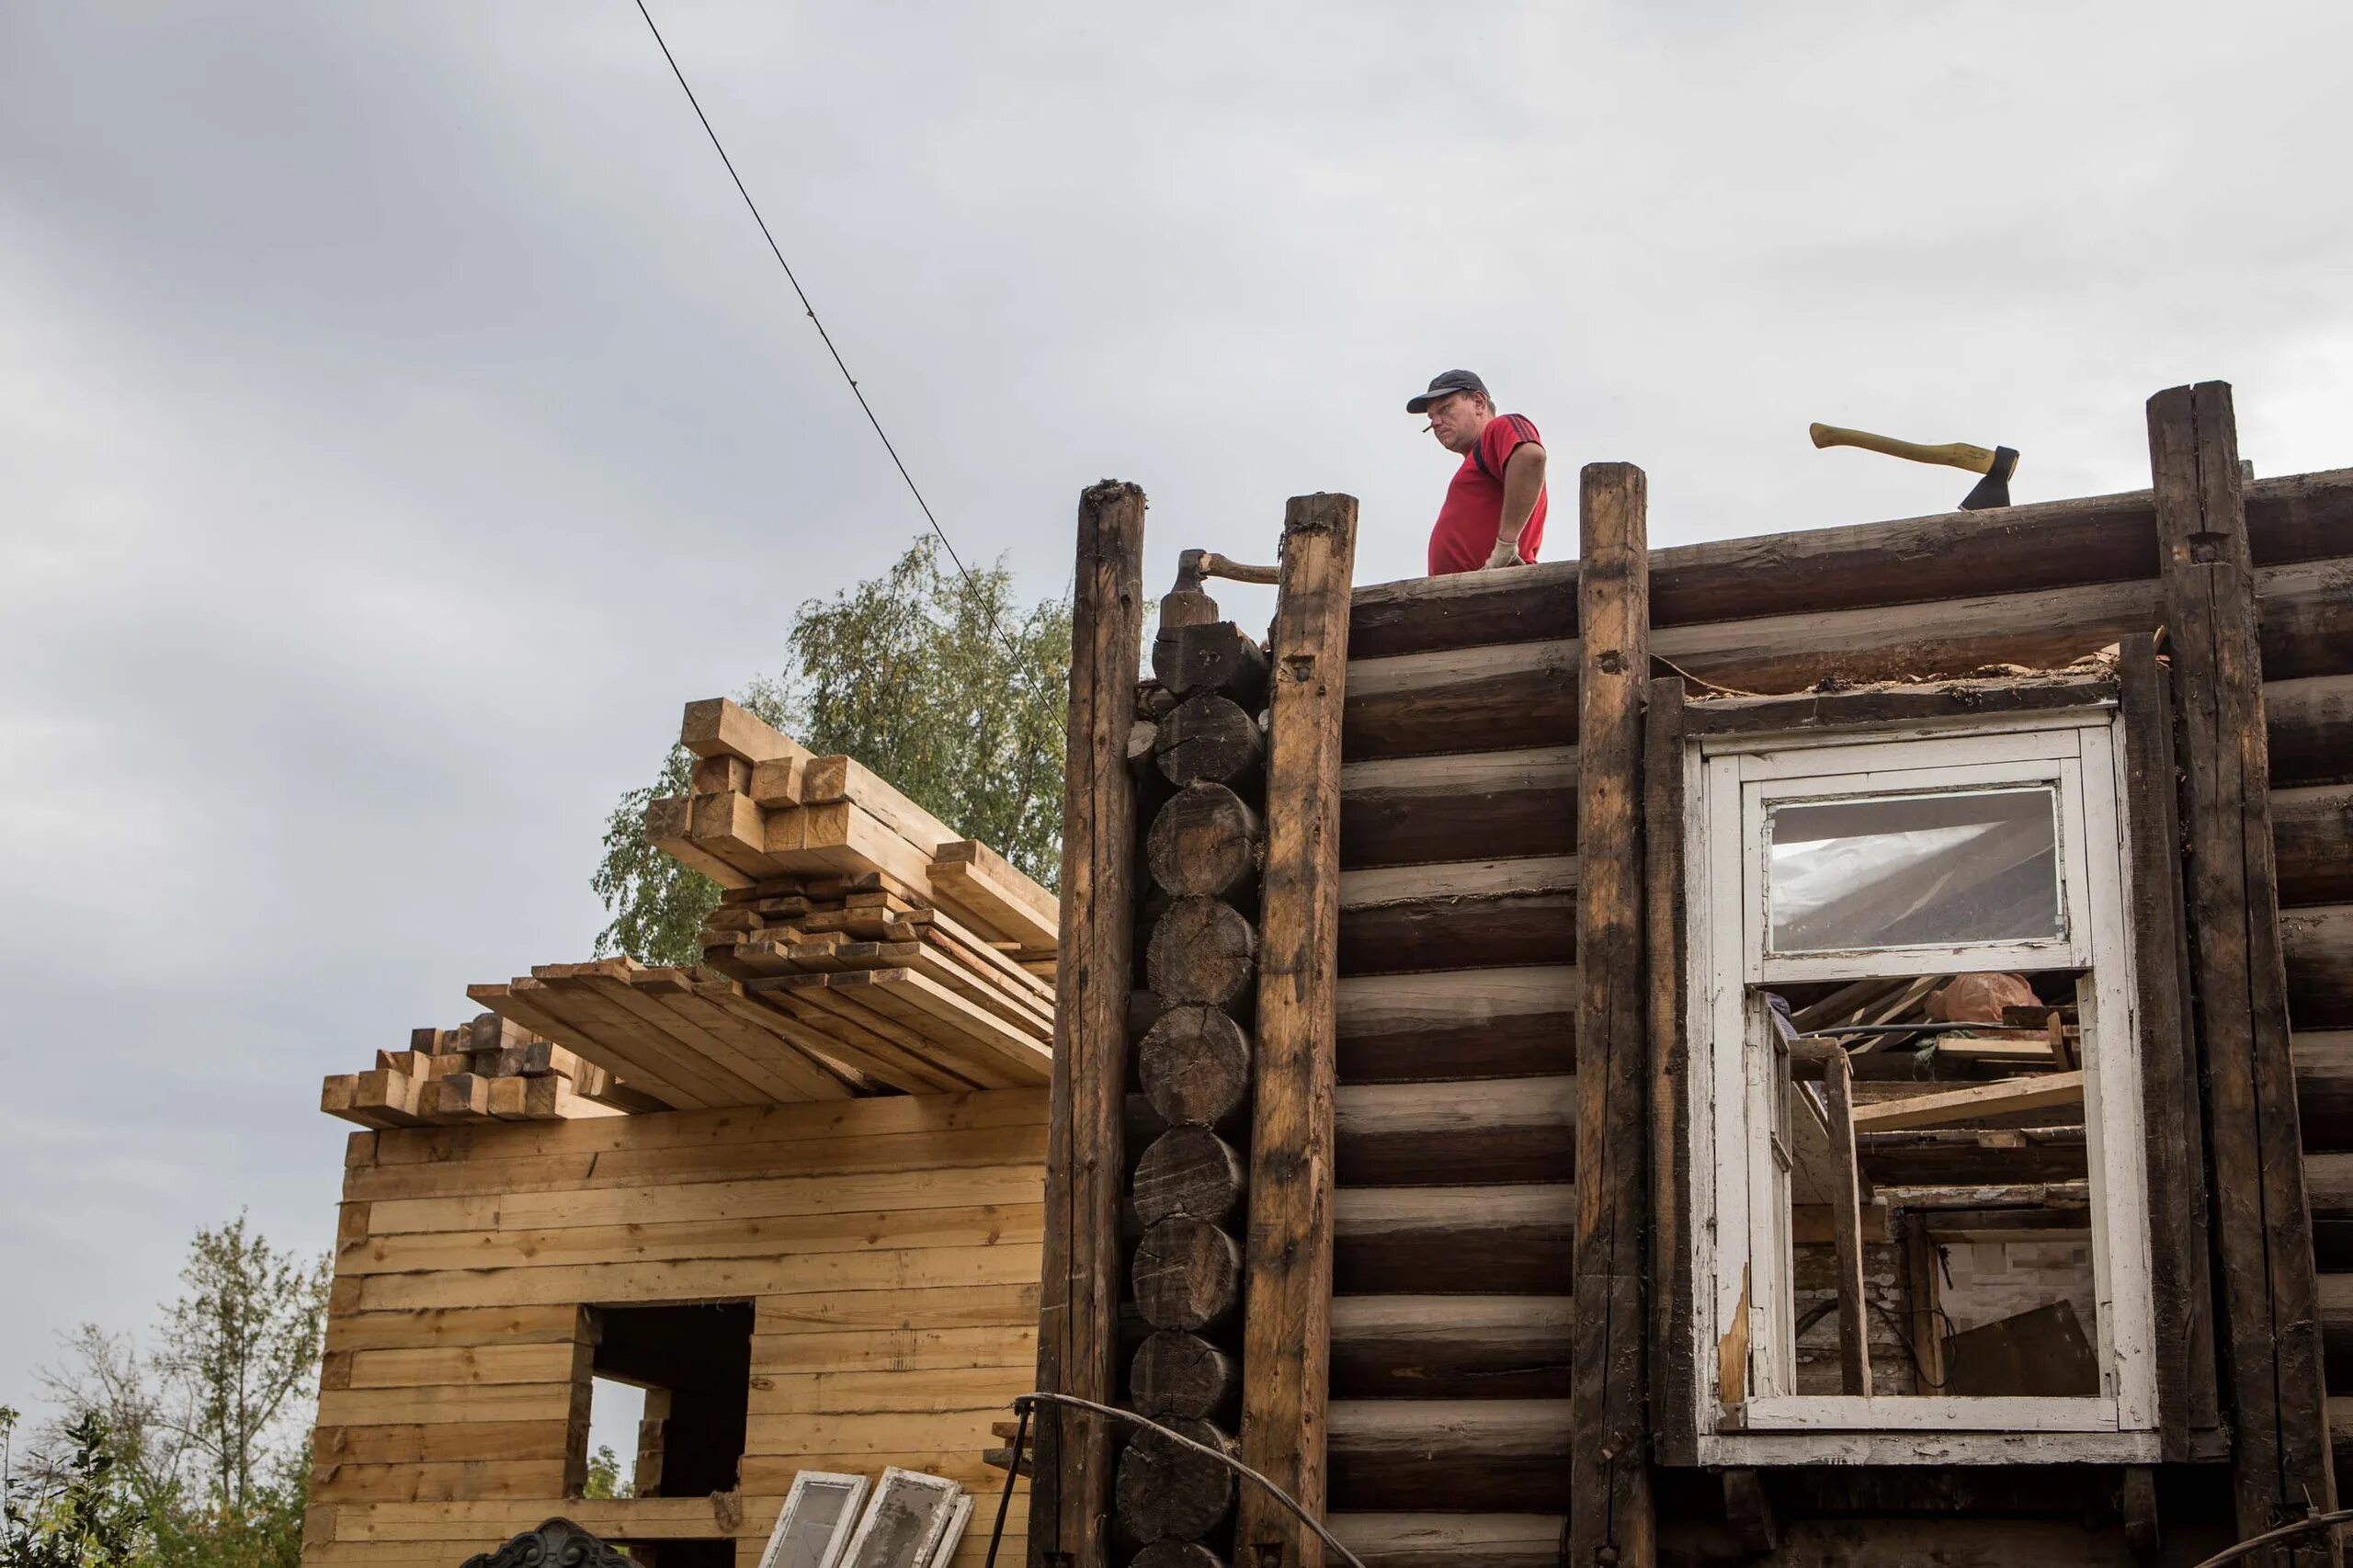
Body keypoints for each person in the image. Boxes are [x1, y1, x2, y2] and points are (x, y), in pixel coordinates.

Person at [1406, 369, 1548, 575]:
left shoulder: (1498, 429)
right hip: (1469, 593)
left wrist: (1505, 547)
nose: (1436, 422)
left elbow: (1530, 456)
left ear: (1479, 403)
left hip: (1496, 588)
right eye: (1431, 417)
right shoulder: (1478, 458)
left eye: (1445, 409)